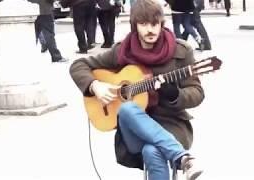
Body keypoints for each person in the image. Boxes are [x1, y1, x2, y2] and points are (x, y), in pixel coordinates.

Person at [70, 0, 205, 179]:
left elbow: (197, 92)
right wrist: (95, 86)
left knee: (151, 151)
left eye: (155, 24)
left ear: (162, 24)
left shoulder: (181, 51)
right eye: (143, 24)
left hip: (171, 124)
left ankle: (180, 156)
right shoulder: (123, 51)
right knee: (127, 108)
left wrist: (174, 95)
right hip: (132, 128)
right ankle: (182, 158)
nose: (150, 29)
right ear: (135, 26)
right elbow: (79, 65)